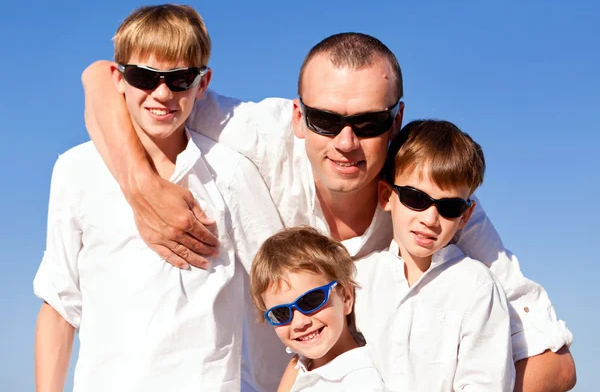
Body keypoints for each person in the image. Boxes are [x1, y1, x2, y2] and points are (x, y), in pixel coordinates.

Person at [82, 32, 576, 392]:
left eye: (368, 122)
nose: (345, 143)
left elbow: (556, 364)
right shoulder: (264, 135)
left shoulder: (429, 200)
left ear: (397, 119)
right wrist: (141, 187)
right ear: (298, 117)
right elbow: (104, 78)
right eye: (324, 120)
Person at [33, 4, 282, 392]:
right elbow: (61, 302)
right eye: (144, 77)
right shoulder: (75, 171)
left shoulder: (231, 173)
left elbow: (283, 286)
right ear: (118, 78)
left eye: (180, 78)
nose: (162, 93)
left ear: (202, 83)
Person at [354, 119, 514, 391]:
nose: (430, 219)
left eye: (449, 207)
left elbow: (485, 383)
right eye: (416, 198)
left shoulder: (477, 287)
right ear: (386, 196)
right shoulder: (359, 280)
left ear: (465, 217)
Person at [250, 227, 385, 392]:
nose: (300, 322)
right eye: (281, 313)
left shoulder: (364, 379)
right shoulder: (298, 367)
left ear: (346, 297)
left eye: (311, 301)